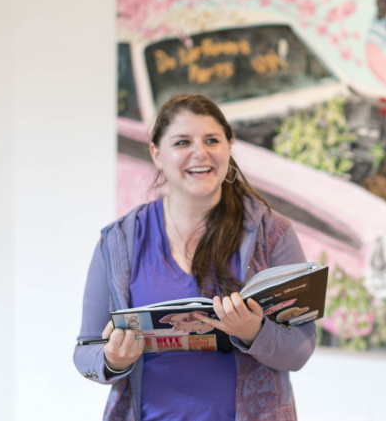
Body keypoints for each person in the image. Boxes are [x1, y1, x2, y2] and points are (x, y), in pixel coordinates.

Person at [74, 93, 316, 420]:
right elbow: (85, 352)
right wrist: (113, 360)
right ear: (156, 154)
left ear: (229, 148)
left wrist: (253, 331)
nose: (200, 153)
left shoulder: (271, 233)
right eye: (182, 142)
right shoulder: (118, 241)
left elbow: (300, 349)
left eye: (212, 140)